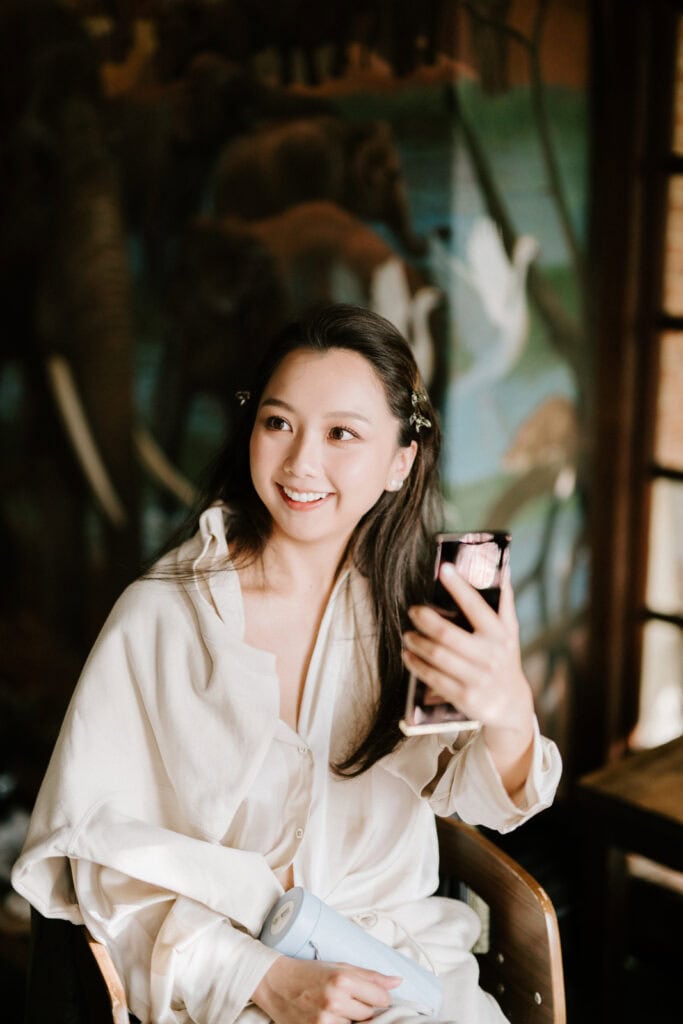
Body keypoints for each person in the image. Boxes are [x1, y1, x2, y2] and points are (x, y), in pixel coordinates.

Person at [12, 305, 561, 1024]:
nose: (302, 463)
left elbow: (487, 800)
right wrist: (261, 976)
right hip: (219, 980)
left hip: (405, 973)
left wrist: (507, 711)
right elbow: (97, 859)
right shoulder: (166, 616)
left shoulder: (418, 614)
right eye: (278, 423)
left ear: (400, 460)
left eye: (341, 434)